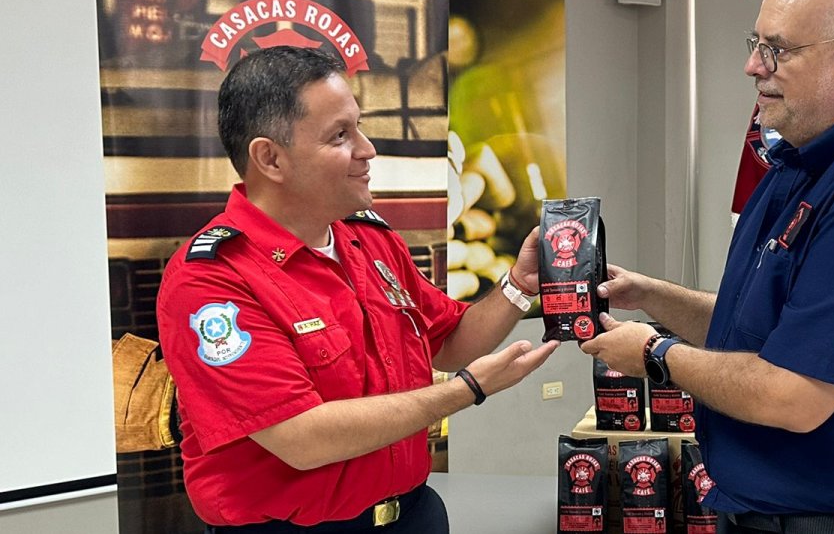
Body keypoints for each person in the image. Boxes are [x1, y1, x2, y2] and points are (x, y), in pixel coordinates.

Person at [581, 0, 834, 534]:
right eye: (754, 42)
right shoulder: (794, 167)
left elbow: (794, 395)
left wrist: (655, 356)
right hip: (756, 511)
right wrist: (647, 294)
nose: (751, 66)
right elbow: (756, 331)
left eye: (777, 50)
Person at [156, 46, 558, 533]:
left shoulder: (368, 239)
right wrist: (466, 392)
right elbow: (302, 437)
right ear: (270, 158)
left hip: (412, 515)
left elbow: (450, 341)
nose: (367, 150)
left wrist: (519, 284)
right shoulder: (212, 279)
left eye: (359, 127)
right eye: (341, 136)